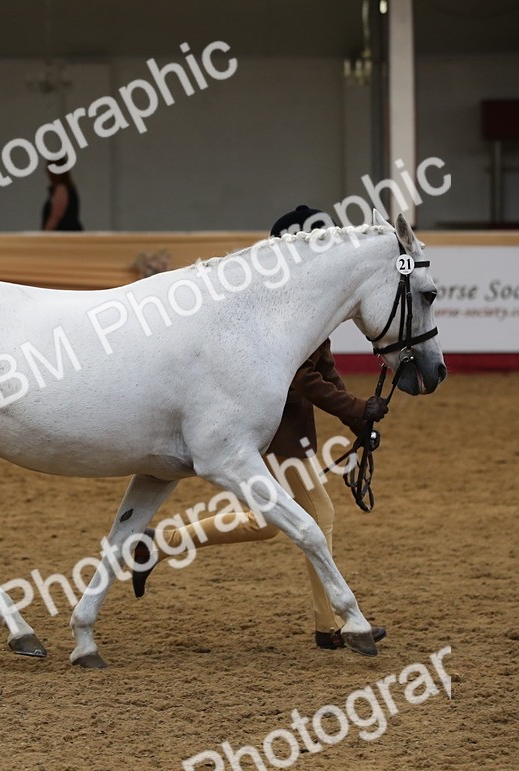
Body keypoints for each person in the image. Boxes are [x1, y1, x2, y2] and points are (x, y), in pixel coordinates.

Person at [131, 205, 389, 651]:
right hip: (273, 428)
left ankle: (162, 543)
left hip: (291, 430)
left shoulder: (310, 306)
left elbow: (322, 367)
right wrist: (356, 408)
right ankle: (331, 625)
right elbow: (304, 377)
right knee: (312, 517)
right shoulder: (278, 309)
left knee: (269, 522)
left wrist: (356, 417)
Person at [41, 158, 83, 231]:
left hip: (63, 235)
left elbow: (55, 217)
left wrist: (44, 236)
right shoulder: (68, 188)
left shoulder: (61, 189)